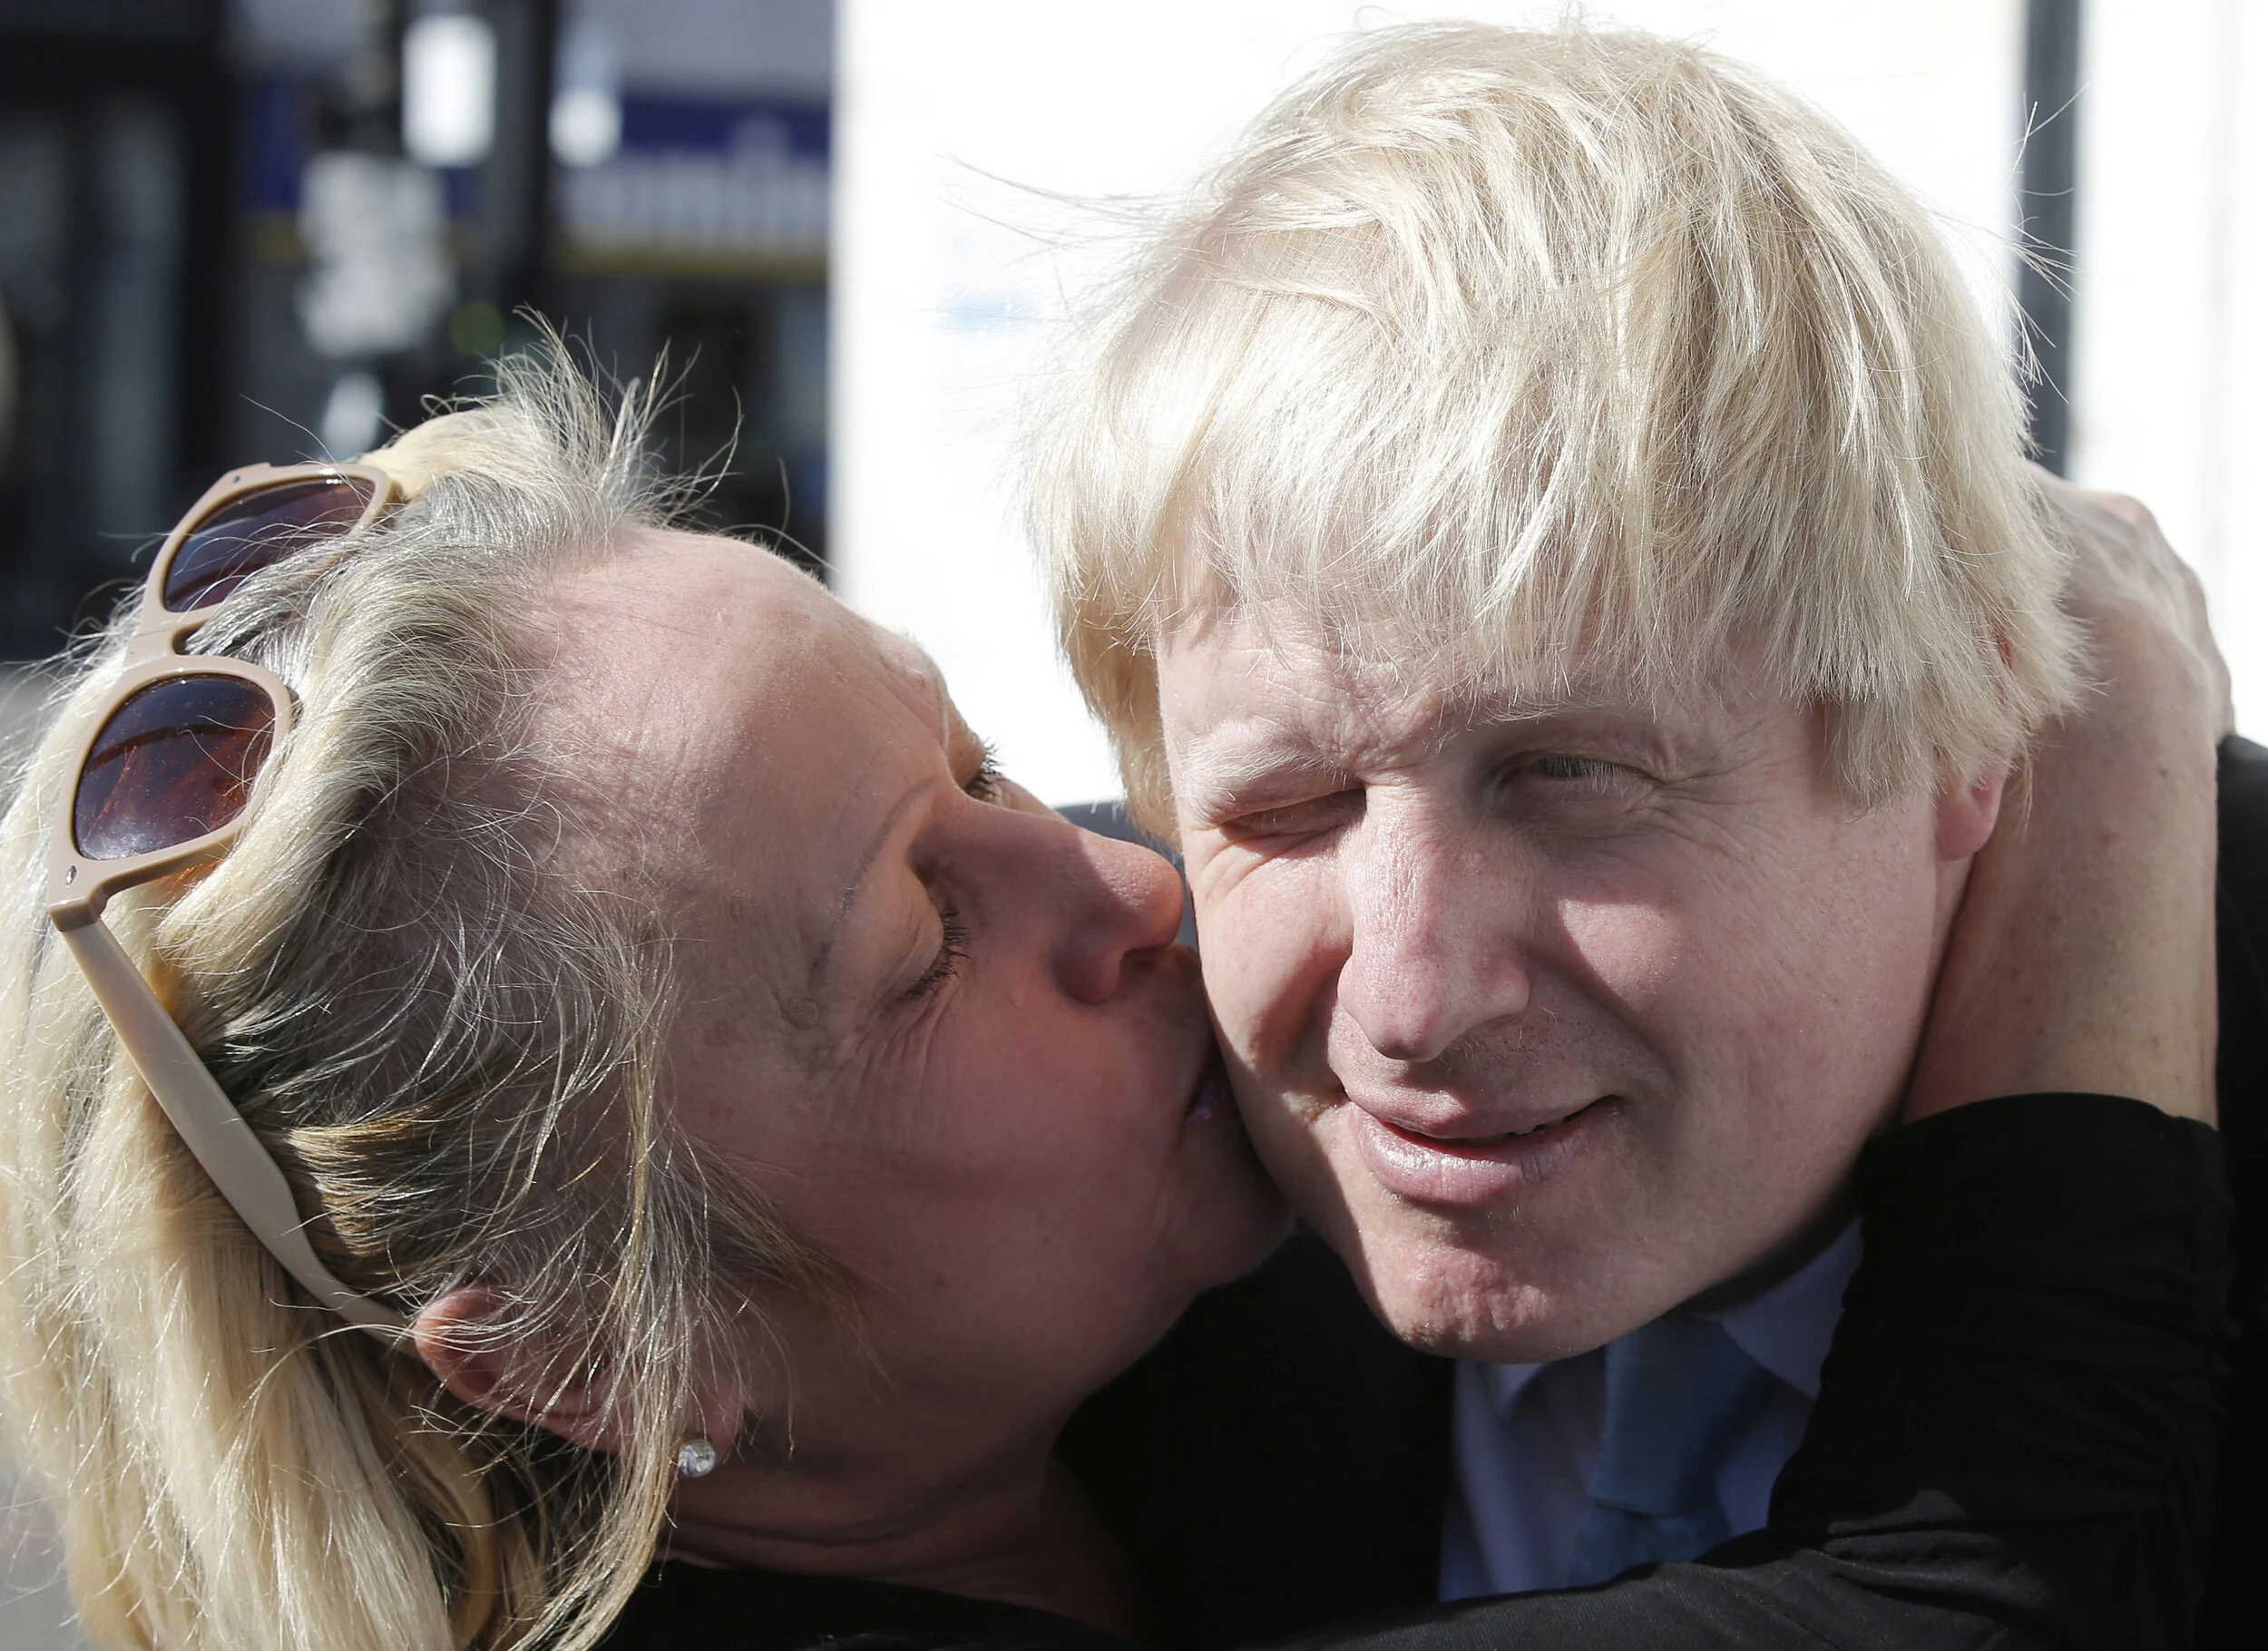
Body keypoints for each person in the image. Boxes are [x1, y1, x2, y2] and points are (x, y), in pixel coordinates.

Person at [0, 346, 2229, 1651]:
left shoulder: (1079, 1347)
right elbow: (1964, 1580)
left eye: (968, 758)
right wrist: (2113, 755)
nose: (1124, 879)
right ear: (593, 1344)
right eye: (921, 944)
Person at [1030, 20, 2261, 1649]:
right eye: (1288, 807)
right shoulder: (1055, 1254)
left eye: (1563, 778)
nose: (1408, 998)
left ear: (1965, 715)